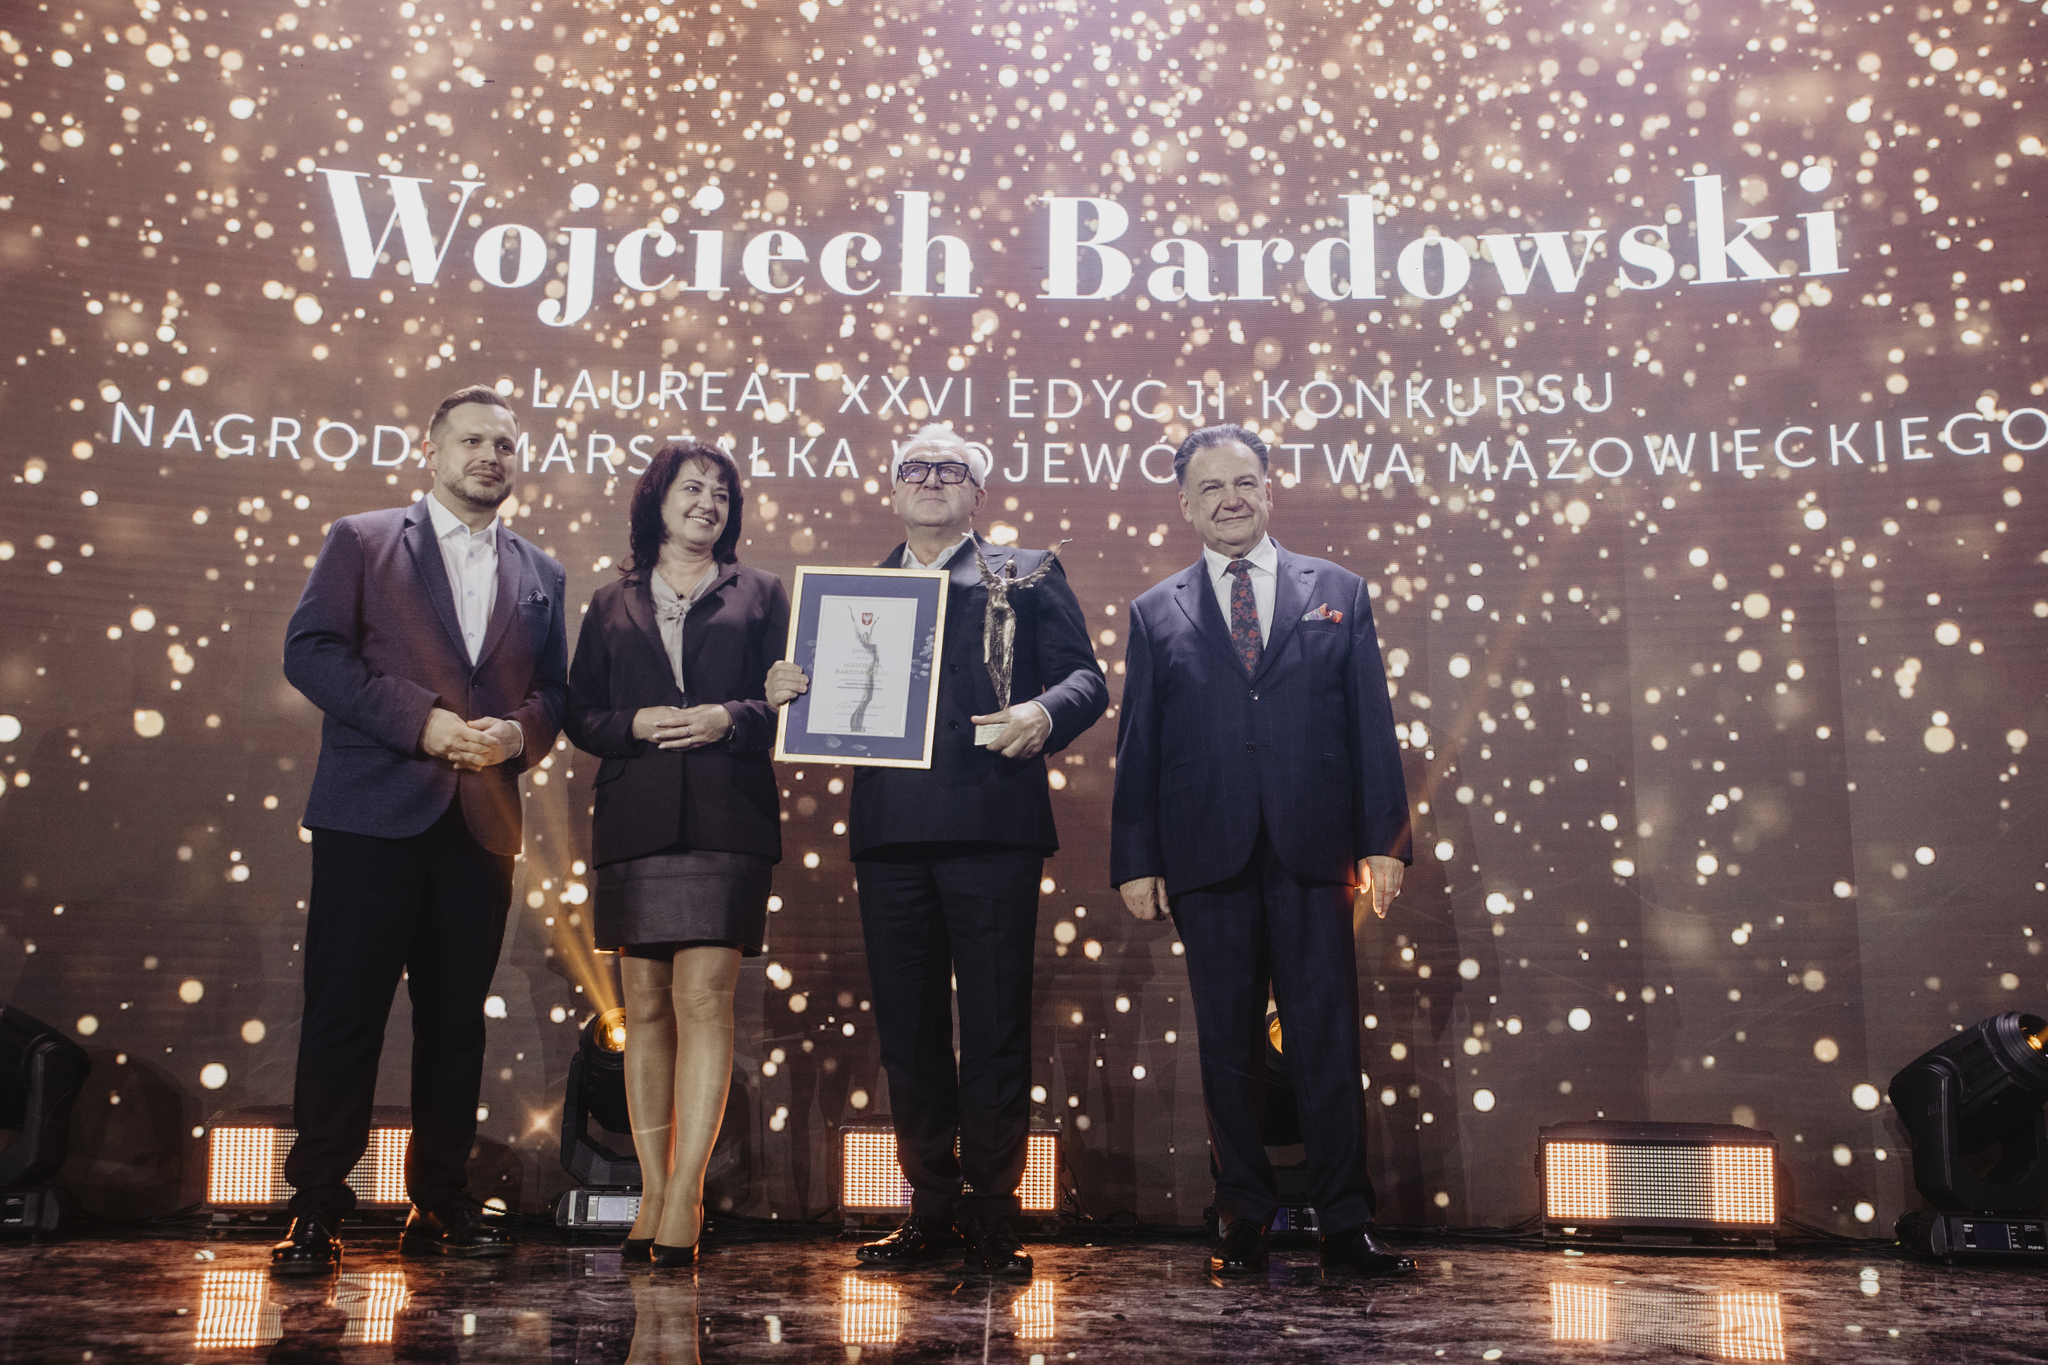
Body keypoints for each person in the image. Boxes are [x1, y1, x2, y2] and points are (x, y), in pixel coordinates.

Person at [766, 423, 1108, 1276]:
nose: (931, 478)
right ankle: (929, 1205)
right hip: (891, 833)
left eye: (951, 468)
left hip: (994, 825)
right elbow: (824, 704)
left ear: (978, 492)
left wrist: (1043, 713)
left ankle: (992, 1211)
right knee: (908, 1029)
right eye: (914, 467)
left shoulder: (1029, 570)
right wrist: (789, 688)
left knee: (994, 1024)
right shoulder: (853, 594)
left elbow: (1087, 680)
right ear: (893, 489)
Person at [274, 384, 569, 1273]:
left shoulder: (543, 573)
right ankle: (317, 1207)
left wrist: (518, 734)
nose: (490, 456)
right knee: (345, 1014)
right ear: (431, 452)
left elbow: (555, 693)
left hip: (481, 825)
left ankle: (437, 1198)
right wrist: (421, 722)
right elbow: (310, 651)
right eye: (472, 440)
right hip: (372, 815)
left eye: (504, 444)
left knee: (455, 1022)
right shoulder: (362, 539)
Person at [1109, 424, 1415, 1278]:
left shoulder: (1339, 591)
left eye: (1244, 482)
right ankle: (1241, 1213)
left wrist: (1385, 841)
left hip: (1315, 849)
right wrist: (1135, 857)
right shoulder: (1155, 609)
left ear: (1270, 490)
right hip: (1206, 852)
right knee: (1227, 1043)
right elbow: (1140, 743)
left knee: (1325, 1038)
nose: (1230, 499)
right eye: (1210, 487)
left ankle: (1345, 1220)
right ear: (1186, 504)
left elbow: (1371, 723)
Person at [564, 440, 788, 1269]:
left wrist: (732, 717)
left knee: (702, 1002)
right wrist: (632, 723)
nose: (707, 504)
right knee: (645, 1010)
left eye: (721, 493)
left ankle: (686, 1192)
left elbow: (792, 699)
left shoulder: (762, 593)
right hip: (635, 822)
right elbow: (581, 712)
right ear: (656, 501)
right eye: (692, 488)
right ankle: (652, 1189)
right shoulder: (608, 600)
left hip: (728, 819)